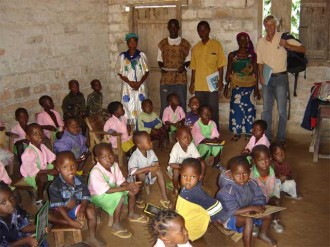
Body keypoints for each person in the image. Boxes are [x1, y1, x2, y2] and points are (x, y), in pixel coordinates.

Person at [257, 15, 306, 144]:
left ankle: (281, 139)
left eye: (271, 24)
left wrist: (287, 45)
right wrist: (260, 75)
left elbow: (302, 49)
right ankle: (266, 138)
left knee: (282, 111)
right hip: (267, 78)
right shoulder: (261, 42)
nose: (269, 27)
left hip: (281, 77)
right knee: (266, 109)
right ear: (264, 26)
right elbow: (260, 62)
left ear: (276, 25)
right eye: (266, 25)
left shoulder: (283, 37)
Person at [88, 143, 148, 239]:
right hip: (99, 196)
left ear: (114, 154)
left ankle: (131, 214)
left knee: (131, 191)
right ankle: (116, 225)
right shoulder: (95, 172)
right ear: (97, 159)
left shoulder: (115, 165)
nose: (108, 160)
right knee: (120, 196)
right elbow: (107, 190)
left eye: (110, 156)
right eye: (103, 157)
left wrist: (129, 186)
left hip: (113, 189)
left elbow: (121, 181)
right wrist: (127, 187)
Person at [216, 156, 277, 247]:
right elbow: (232, 211)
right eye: (237, 174)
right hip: (230, 218)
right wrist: (252, 208)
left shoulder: (252, 183)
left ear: (249, 173)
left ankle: (262, 234)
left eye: (245, 174)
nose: (242, 177)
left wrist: (258, 206)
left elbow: (259, 197)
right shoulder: (227, 190)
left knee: (269, 213)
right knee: (248, 220)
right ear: (231, 175)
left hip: (247, 212)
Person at [49, 151, 105, 246]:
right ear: (58, 169)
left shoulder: (79, 179)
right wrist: (70, 221)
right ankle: (70, 222)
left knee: (91, 209)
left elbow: (86, 195)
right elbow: (59, 207)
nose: (70, 170)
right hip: (62, 214)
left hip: (76, 209)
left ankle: (92, 237)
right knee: (47, 216)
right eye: (65, 167)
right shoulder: (54, 186)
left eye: (73, 166)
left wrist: (82, 209)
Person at [189, 21, 227, 130]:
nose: (203, 32)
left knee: (212, 110)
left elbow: (220, 65)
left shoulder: (216, 45)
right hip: (199, 85)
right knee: (200, 111)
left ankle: (214, 133)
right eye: (200, 30)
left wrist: (220, 81)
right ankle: (201, 133)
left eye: (205, 29)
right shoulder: (196, 48)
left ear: (209, 30)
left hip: (212, 85)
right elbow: (193, 68)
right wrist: (192, 83)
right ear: (198, 33)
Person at [224, 32, 260, 141]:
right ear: (238, 41)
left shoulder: (252, 56)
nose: (243, 42)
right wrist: (226, 87)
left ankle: (249, 132)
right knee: (236, 110)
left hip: (250, 87)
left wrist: (257, 89)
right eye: (241, 40)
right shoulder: (232, 55)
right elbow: (229, 71)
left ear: (248, 41)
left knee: (250, 110)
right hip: (237, 87)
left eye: (245, 39)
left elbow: (256, 72)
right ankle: (237, 133)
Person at [176, 158, 223, 241]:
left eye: (193, 177)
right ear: (180, 174)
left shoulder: (197, 194)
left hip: (190, 230)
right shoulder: (187, 187)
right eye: (184, 176)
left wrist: (207, 222)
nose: (187, 180)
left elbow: (217, 207)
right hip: (183, 220)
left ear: (199, 177)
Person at [128, 131, 171, 208]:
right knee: (140, 175)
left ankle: (165, 197)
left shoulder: (150, 152)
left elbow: (155, 161)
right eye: (148, 142)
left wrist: (156, 164)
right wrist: (149, 168)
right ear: (139, 145)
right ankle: (138, 197)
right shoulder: (135, 156)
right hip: (135, 181)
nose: (151, 143)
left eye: (150, 140)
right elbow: (133, 172)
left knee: (159, 172)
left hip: (147, 176)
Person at [157, 19, 191, 116]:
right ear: (168, 28)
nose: (173, 29)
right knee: (165, 104)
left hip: (180, 78)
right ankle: (165, 126)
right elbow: (159, 60)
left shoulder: (185, 43)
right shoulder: (162, 43)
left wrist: (184, 66)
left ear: (178, 28)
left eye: (175, 27)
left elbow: (188, 60)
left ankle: (181, 126)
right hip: (166, 79)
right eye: (171, 27)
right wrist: (162, 68)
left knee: (181, 103)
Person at [0, 182, 48, 247]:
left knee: (38, 239)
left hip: (18, 239)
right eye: (3, 202)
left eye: (11, 197)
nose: (10, 204)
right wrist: (24, 241)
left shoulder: (15, 210)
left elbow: (23, 227)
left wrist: (40, 228)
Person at [20, 123, 57, 206]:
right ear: (28, 137)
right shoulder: (28, 153)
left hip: (43, 169)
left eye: (40, 132)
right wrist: (49, 171)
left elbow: (52, 158)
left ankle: (56, 190)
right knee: (42, 177)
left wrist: (57, 166)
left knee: (57, 167)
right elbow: (33, 171)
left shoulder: (42, 146)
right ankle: (39, 198)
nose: (40, 136)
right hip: (30, 176)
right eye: (35, 134)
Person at [250, 145, 284, 234]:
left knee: (277, 202)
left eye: (267, 159)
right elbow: (249, 193)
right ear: (254, 161)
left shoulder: (271, 171)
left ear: (270, 158)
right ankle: (254, 224)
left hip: (267, 196)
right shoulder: (251, 174)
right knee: (252, 207)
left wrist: (268, 199)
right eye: (260, 160)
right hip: (255, 199)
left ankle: (275, 221)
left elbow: (271, 189)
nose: (264, 162)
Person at [116, 32, 149, 120]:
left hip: (140, 85)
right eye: (130, 42)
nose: (132, 44)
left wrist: (139, 83)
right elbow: (120, 72)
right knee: (127, 106)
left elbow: (146, 72)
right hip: (127, 86)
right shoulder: (122, 56)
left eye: (134, 42)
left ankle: (141, 125)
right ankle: (129, 126)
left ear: (137, 43)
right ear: (127, 43)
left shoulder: (142, 55)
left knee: (140, 104)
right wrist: (129, 82)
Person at [168, 126, 206, 196]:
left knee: (202, 163)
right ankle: (176, 188)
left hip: (189, 169)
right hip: (178, 168)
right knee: (175, 171)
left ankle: (201, 178)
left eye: (189, 137)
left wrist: (198, 161)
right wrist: (182, 166)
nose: (187, 140)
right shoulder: (176, 148)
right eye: (184, 138)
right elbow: (171, 164)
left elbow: (197, 157)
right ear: (177, 139)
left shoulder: (191, 145)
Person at [191, 106, 224, 170]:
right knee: (205, 146)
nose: (207, 115)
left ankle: (216, 164)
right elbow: (200, 139)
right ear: (199, 115)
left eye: (209, 113)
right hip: (199, 144)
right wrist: (212, 141)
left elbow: (215, 135)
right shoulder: (196, 124)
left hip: (210, 142)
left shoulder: (213, 123)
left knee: (218, 146)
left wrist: (216, 139)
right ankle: (199, 163)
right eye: (204, 114)